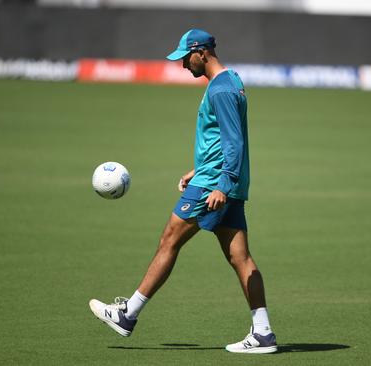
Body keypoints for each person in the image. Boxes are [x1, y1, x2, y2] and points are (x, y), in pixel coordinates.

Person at [89, 28, 277, 354]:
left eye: (185, 58)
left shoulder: (220, 90)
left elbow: (234, 141)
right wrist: (198, 169)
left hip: (214, 187)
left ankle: (127, 314)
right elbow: (222, 140)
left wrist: (221, 182)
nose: (182, 64)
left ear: (201, 53)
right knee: (240, 257)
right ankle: (263, 333)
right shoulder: (229, 82)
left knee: (169, 241)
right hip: (215, 180)